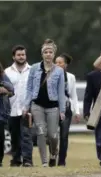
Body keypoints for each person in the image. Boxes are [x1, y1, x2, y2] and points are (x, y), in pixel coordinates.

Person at [23, 39, 66, 167]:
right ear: (42, 54)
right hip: (37, 105)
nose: (48, 54)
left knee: (53, 135)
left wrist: (62, 110)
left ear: (54, 54)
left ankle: (53, 154)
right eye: (46, 52)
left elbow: (61, 92)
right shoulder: (35, 68)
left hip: (53, 106)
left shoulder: (59, 71)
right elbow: (29, 88)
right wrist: (26, 105)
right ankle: (44, 162)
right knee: (41, 132)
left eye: (50, 52)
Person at [5, 45, 33, 167]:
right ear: (14, 56)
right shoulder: (7, 72)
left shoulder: (32, 71)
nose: (21, 57)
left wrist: (30, 106)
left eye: (23, 55)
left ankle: (27, 160)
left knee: (26, 135)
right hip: (11, 109)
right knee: (15, 136)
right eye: (19, 55)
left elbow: (34, 89)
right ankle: (16, 160)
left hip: (27, 109)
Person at [83, 48, 101, 167]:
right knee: (100, 135)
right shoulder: (92, 76)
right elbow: (88, 95)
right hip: (98, 110)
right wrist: (86, 112)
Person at [55, 53, 80, 166]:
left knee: (64, 136)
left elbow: (74, 95)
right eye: (56, 62)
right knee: (52, 135)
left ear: (65, 65)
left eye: (60, 62)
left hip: (66, 108)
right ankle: (52, 157)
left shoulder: (71, 77)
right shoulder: (51, 75)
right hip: (53, 108)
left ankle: (61, 161)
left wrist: (77, 111)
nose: (57, 64)